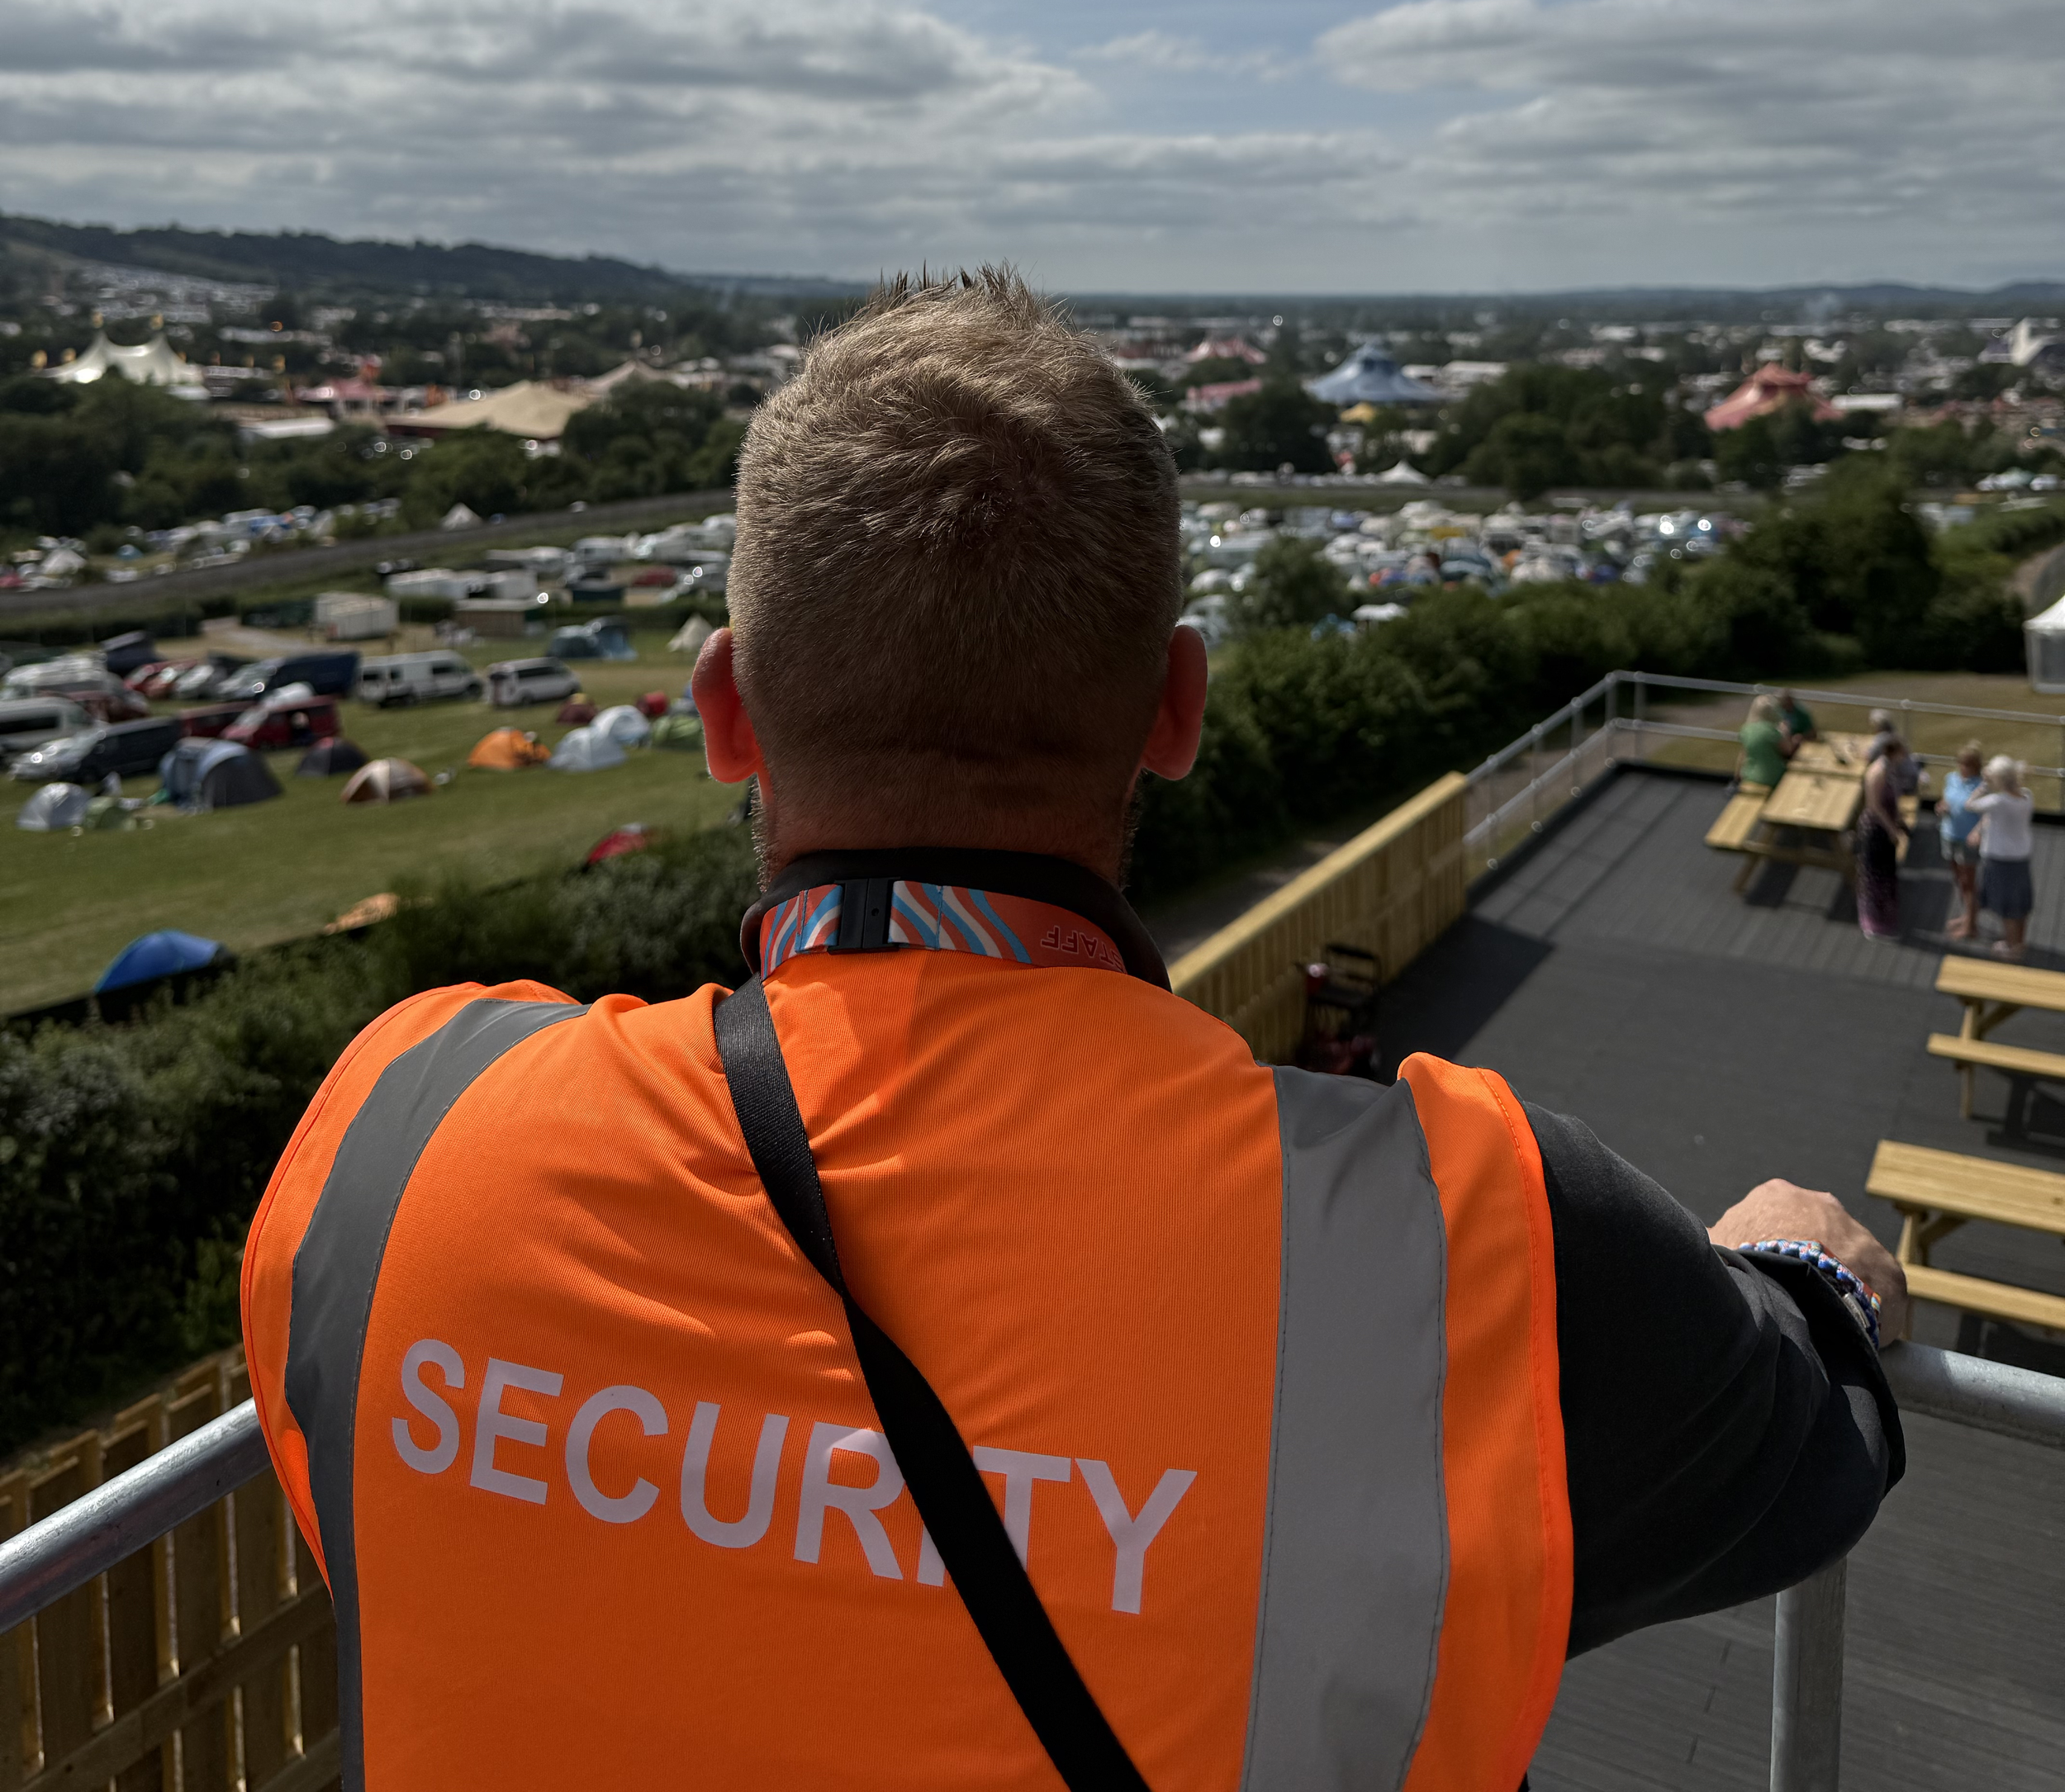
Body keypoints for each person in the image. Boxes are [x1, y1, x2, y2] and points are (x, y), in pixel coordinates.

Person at [240, 273, 1906, 1792]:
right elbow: (1795, 1449)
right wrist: (1807, 1278)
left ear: (725, 709)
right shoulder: (1465, 1245)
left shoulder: (399, 1138)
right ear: (1174, 707)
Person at [1968, 754, 2036, 962]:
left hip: (2000, 860)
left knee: (2007, 907)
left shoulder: (1997, 801)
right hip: (2021, 858)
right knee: (2020, 904)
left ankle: (2010, 946)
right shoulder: (2027, 796)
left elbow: (1970, 804)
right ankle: (2019, 942)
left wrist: (1984, 785)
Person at [1855, 732, 1908, 940]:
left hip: (1886, 826)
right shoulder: (1878, 772)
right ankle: (1874, 924)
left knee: (1886, 873)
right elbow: (1874, 806)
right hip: (1877, 830)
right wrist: (1892, 830)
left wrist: (1900, 820)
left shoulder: (1889, 769)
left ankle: (1886, 917)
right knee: (1875, 875)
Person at [1939, 741, 1987, 941]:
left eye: (1967, 764)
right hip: (1949, 835)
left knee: (1968, 882)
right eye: (1961, 763)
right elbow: (1946, 801)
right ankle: (1967, 916)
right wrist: (1941, 807)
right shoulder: (1951, 779)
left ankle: (1971, 926)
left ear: (1976, 766)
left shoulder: (1983, 787)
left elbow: (1988, 816)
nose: (1963, 768)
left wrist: (1977, 833)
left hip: (1967, 841)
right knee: (1959, 880)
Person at [1737, 692, 1790, 793]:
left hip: (1750, 776)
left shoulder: (1746, 729)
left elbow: (1743, 755)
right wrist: (1786, 733)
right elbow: (1787, 751)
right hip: (1772, 777)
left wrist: (1737, 777)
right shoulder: (1772, 731)